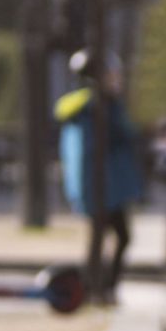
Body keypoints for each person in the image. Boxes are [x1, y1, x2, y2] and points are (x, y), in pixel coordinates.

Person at [56, 50, 146, 303]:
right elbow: (124, 135)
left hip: (94, 184)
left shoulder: (80, 106)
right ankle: (101, 287)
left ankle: (95, 285)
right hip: (107, 185)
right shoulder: (103, 106)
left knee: (102, 237)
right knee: (117, 236)